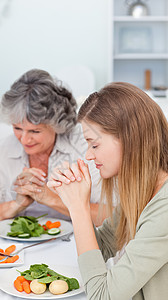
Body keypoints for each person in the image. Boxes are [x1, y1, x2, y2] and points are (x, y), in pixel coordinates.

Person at [47, 82, 168, 299]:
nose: (88, 156)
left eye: (94, 145)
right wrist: (75, 202)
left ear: (130, 139)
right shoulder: (145, 190)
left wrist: (78, 208)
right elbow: (101, 248)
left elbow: (102, 296)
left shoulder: (165, 208)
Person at [0, 69, 102, 224]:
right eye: (18, 128)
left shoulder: (84, 146)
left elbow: (112, 216)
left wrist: (49, 198)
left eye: (35, 131)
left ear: (57, 124)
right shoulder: (5, 149)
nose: (24, 139)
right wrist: (16, 204)